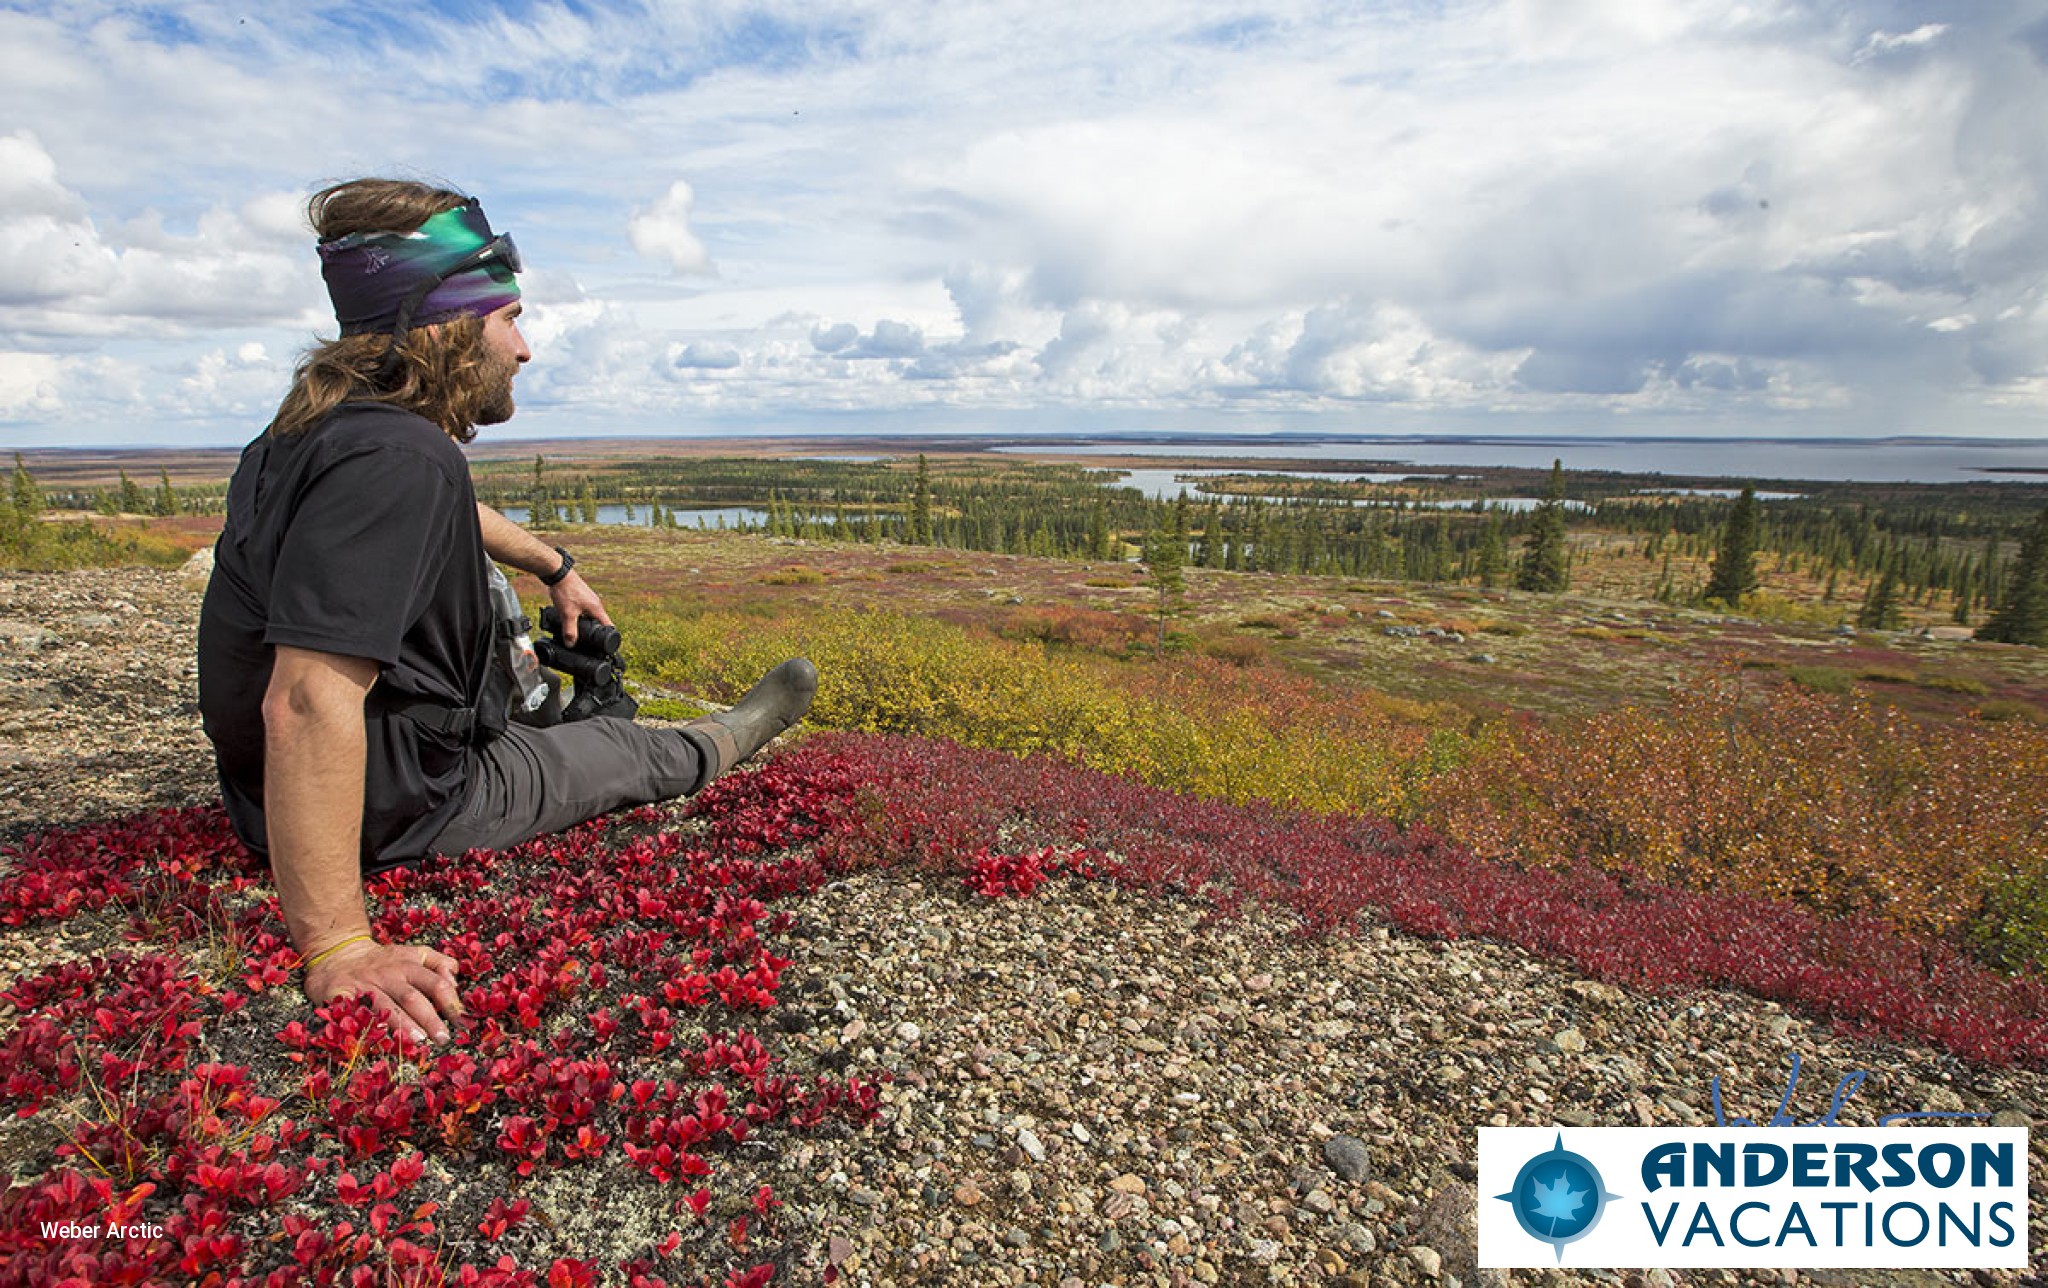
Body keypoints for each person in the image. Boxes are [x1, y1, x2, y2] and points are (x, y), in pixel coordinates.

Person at [197, 178, 816, 1044]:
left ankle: (551, 716)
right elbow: (305, 700)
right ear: (446, 326)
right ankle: (725, 734)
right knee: (614, 748)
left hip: (264, 791)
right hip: (404, 799)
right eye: (507, 319)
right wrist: (338, 944)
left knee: (497, 618)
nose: (522, 348)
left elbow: (446, 510)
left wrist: (554, 566)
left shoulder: (318, 429)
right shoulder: (399, 459)